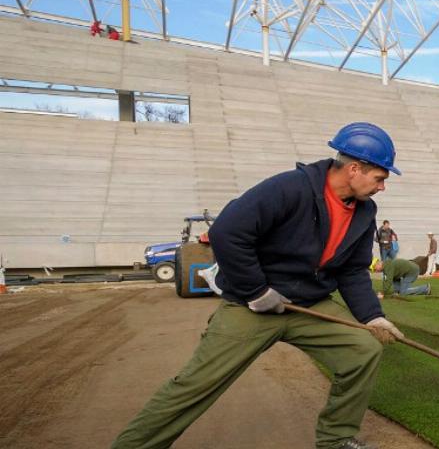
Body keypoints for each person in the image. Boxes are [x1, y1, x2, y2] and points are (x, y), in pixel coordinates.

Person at [111, 122, 405, 449]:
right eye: (380, 178)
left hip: (308, 306)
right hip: (252, 305)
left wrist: (371, 316)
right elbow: (227, 233)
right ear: (354, 169)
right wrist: (256, 291)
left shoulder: (366, 212)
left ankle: (336, 440)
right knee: (196, 384)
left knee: (362, 351)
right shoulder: (289, 188)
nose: (382, 187)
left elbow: (352, 270)